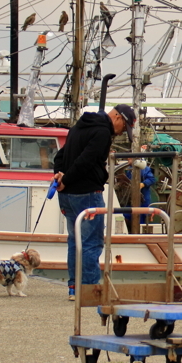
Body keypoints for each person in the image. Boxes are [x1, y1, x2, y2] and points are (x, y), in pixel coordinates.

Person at [53, 104, 136, 300]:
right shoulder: (102, 133)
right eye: (124, 127)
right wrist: (66, 179)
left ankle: (74, 287)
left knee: (75, 241)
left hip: (67, 195)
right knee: (91, 243)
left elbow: (60, 155)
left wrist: (59, 176)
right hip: (87, 193)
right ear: (117, 117)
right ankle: (89, 289)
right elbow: (86, 161)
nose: (122, 132)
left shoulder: (78, 127)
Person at [123, 158, 156, 229]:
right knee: (125, 215)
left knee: (140, 221)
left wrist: (143, 184)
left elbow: (152, 179)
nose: (128, 159)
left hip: (142, 200)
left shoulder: (144, 169)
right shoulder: (129, 170)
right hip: (130, 200)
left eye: (129, 158)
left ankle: (139, 236)